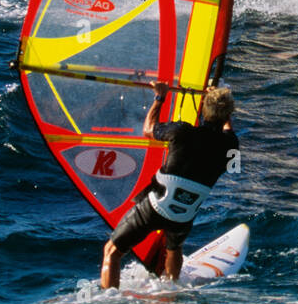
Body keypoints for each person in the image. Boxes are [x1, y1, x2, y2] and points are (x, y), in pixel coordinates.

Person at [100, 80, 237, 288]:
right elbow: (228, 131)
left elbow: (148, 130)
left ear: (204, 110)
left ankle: (107, 303)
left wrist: (159, 97)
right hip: (184, 215)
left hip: (155, 207)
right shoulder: (230, 145)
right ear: (228, 114)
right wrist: (221, 106)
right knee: (174, 247)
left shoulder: (182, 132)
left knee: (112, 251)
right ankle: (170, 291)